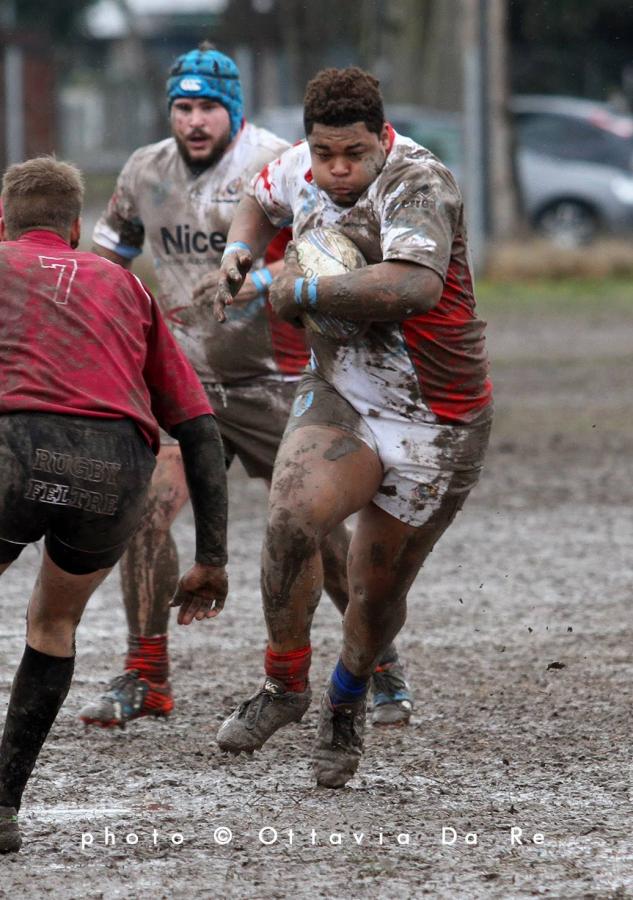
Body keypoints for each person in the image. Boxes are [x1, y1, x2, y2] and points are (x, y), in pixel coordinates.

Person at [82, 44, 413, 729]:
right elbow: (106, 261)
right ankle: (146, 674)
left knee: (312, 525)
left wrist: (266, 279)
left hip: (276, 381)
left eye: (208, 107)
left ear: (231, 110)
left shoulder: (280, 162)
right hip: (184, 383)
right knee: (142, 512)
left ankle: (378, 664)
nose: (194, 120)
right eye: (183, 107)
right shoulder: (144, 170)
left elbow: (336, 248)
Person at [203, 66, 493, 787]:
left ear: (381, 139)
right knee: (290, 517)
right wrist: (240, 250)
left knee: (374, 592)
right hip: (342, 392)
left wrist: (304, 289)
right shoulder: (297, 167)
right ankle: (284, 685)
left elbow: (414, 285)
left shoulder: (418, 182)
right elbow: (257, 199)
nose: (337, 169)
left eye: (353, 154)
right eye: (324, 153)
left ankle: (345, 704)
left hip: (436, 419)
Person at [0, 156, 229, 853]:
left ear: (4, 223)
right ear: (75, 228)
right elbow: (197, 427)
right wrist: (211, 558)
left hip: (12, 447)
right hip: (114, 466)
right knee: (53, 622)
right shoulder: (127, 285)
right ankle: (2, 806)